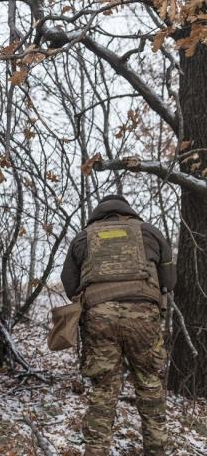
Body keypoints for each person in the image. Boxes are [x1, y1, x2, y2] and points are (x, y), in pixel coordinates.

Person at [61, 195, 176, 456]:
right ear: (128, 210)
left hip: (99, 317)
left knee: (103, 387)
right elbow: (169, 280)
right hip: (143, 316)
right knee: (149, 383)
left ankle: (96, 450)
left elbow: (69, 282)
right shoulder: (150, 232)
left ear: (98, 213)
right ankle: (156, 450)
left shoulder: (83, 237)